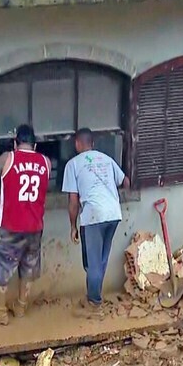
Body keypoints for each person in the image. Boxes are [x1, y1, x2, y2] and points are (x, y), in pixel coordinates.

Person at [0, 124, 51, 325]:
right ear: (35, 145)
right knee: (28, 266)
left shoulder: (8, 158)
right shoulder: (45, 162)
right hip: (35, 227)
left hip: (10, 226)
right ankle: (20, 306)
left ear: (15, 142)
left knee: (0, 264)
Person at [62, 128, 130, 315]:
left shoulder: (73, 165)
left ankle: (94, 304)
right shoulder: (106, 159)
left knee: (92, 263)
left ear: (77, 143)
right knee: (100, 260)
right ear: (92, 143)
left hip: (94, 215)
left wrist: (72, 227)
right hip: (113, 213)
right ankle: (94, 298)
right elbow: (125, 181)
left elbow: (73, 201)